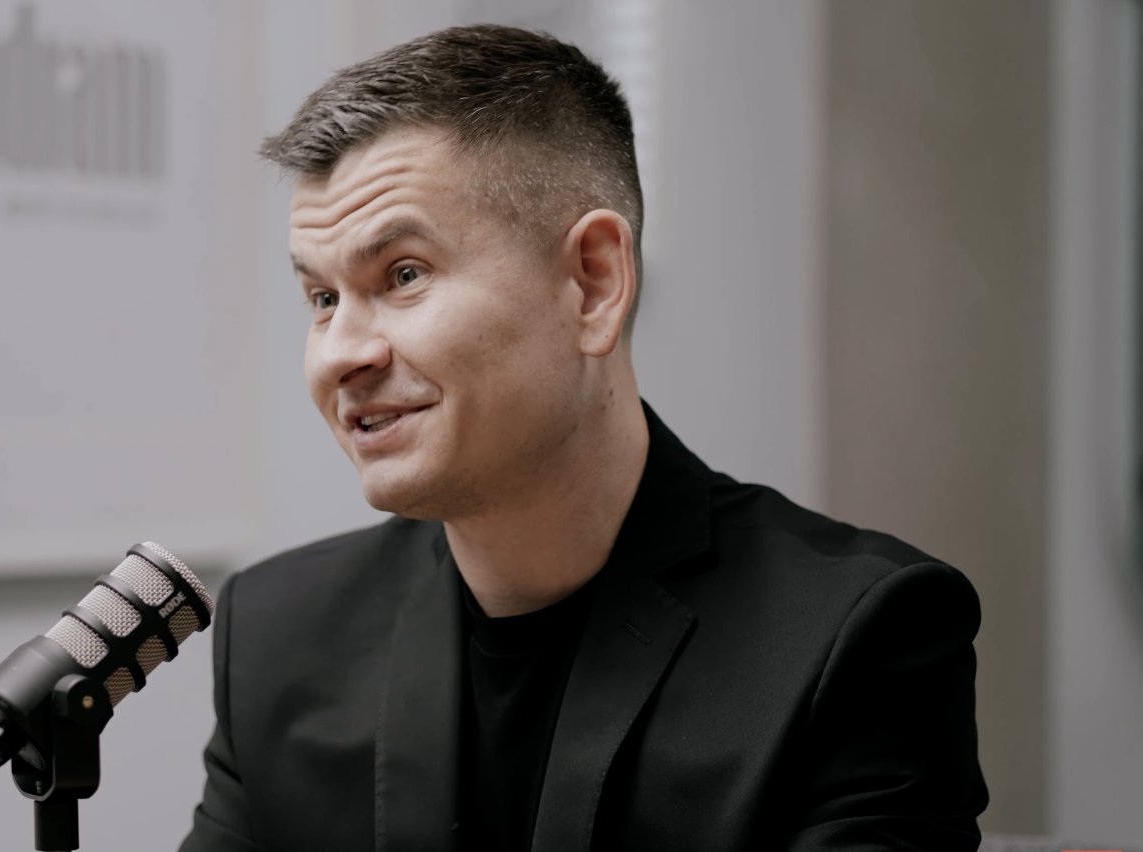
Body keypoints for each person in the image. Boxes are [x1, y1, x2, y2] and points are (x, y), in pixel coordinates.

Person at [179, 24, 987, 852]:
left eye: (404, 274)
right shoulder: (278, 635)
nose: (340, 356)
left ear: (593, 283)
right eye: (321, 299)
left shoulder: (855, 640)